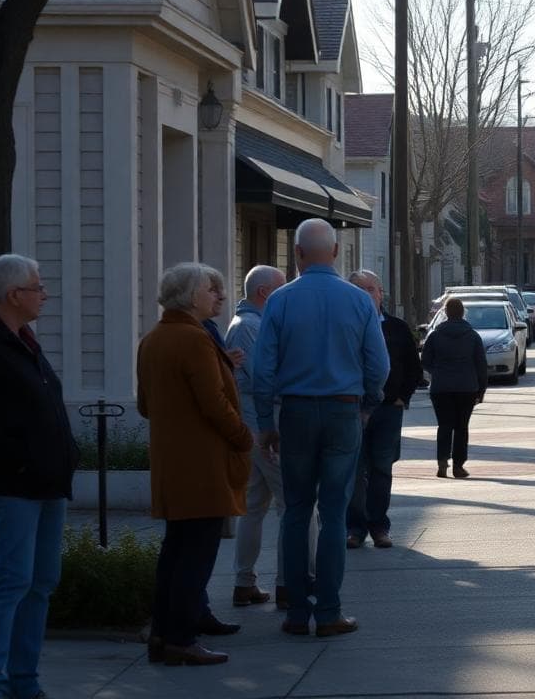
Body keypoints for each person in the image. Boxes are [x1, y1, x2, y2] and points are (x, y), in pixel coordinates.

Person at [252, 218, 390, 638]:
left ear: (296, 254)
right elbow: (379, 366)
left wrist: (265, 423)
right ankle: (329, 611)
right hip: (342, 411)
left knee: (296, 512)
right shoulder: (359, 301)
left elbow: (262, 371)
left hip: (294, 412)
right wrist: (367, 405)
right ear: (334, 252)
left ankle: (296, 612)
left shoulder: (279, 301)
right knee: (333, 513)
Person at [0, 255, 78, 698]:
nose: (43, 294)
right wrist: (25, 460)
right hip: (11, 487)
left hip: (46, 484)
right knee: (10, 582)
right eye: (37, 287)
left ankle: (24, 681)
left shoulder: (23, 340)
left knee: (41, 582)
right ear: (13, 295)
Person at [137, 263, 253, 666]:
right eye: (211, 289)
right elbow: (214, 403)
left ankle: (164, 634)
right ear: (190, 296)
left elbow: (144, 405)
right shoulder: (193, 339)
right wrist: (243, 436)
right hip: (202, 466)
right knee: (195, 557)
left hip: (173, 464)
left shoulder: (153, 339)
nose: (219, 295)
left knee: (176, 552)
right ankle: (182, 638)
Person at [228, 264, 312, 611]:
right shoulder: (250, 327)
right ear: (265, 293)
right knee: (297, 505)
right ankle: (290, 582)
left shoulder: (247, 325)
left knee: (255, 505)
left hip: (254, 426)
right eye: (280, 289)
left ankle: (245, 581)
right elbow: (265, 380)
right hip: (263, 427)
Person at [346, 270, 423, 548]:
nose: (367, 294)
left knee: (381, 469)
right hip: (352, 410)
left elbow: (414, 367)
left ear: (381, 294)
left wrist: (403, 396)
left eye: (371, 289)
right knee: (353, 470)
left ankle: (379, 525)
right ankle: (354, 528)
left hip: (388, 409)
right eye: (359, 289)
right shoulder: (344, 326)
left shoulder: (397, 328)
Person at [421, 298, 488, 478]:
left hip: (441, 387)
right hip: (467, 387)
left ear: (446, 313)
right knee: (461, 427)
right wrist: (481, 390)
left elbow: (425, 360)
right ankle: (458, 466)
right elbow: (481, 365)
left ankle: (442, 462)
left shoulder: (435, 335)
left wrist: (437, 371)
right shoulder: (472, 336)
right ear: (462, 313)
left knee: (444, 426)